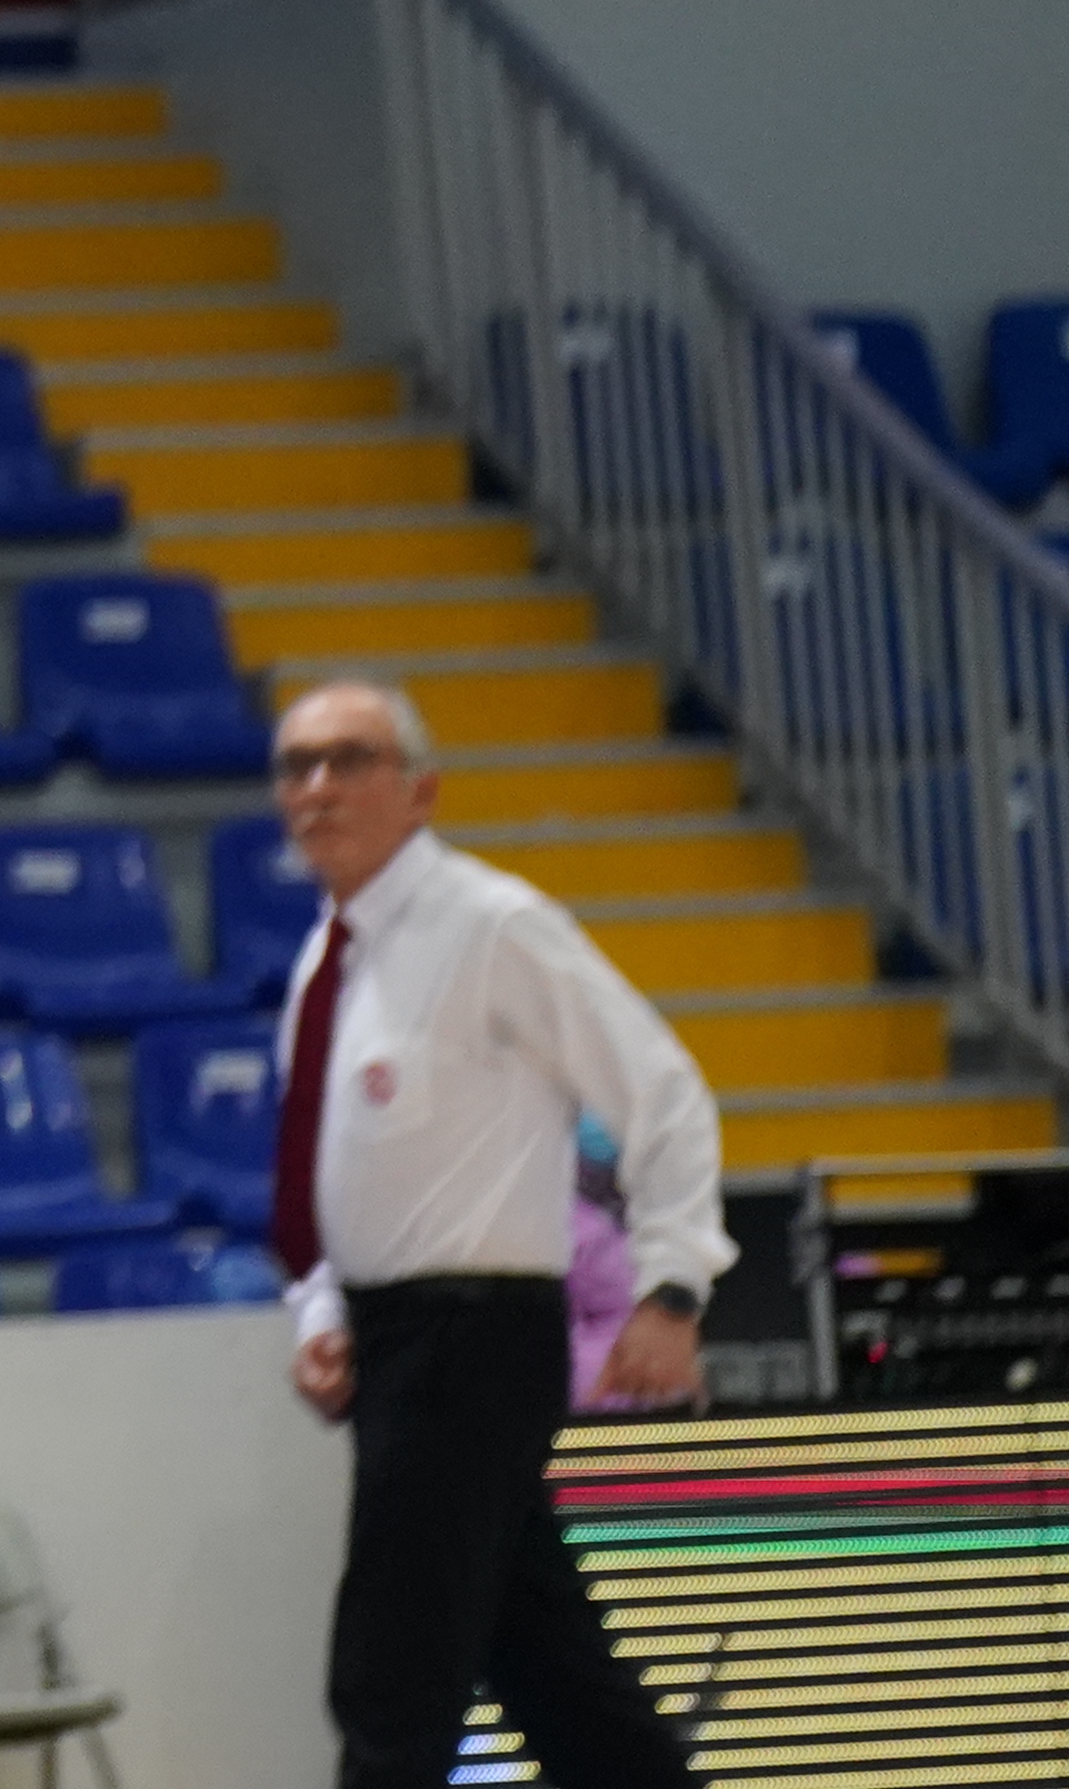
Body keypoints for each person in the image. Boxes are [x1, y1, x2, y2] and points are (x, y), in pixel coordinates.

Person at [264, 670, 723, 1789]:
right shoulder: (327, 959)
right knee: (560, 1681)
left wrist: (672, 1287)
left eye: (350, 759)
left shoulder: (494, 924)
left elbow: (663, 1090)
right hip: (393, 1339)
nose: (318, 787)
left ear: (421, 789)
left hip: (472, 1336)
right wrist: (323, 1306)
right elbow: (327, 1170)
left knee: (392, 1672)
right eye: (297, 765)